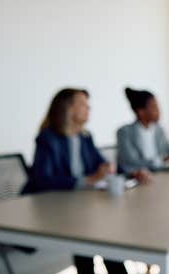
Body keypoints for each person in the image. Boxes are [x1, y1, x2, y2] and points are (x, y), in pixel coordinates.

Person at [21, 88, 127, 274]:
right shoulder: (47, 138)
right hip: (53, 208)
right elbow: (42, 179)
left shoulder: (85, 137)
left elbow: (100, 163)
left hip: (80, 204)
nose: (89, 109)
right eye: (84, 105)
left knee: (103, 231)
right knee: (98, 232)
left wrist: (110, 168)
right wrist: (87, 180)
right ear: (68, 109)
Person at [117, 88, 169, 174]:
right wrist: (161, 160)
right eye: (154, 107)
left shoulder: (159, 130)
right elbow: (131, 162)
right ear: (141, 112)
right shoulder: (124, 132)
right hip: (138, 179)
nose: (159, 111)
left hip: (160, 174)